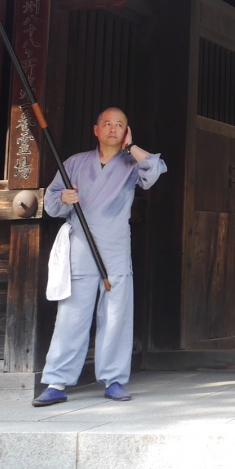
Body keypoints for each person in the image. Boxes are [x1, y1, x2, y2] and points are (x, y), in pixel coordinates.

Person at [32, 108, 166, 407]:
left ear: (126, 131)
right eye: (107, 124)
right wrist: (64, 198)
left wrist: (132, 147)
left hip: (114, 248)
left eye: (119, 125)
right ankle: (56, 382)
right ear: (96, 129)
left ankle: (114, 379)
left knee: (116, 316)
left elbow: (155, 169)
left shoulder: (131, 164)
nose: (113, 129)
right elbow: (51, 203)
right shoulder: (74, 163)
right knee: (71, 316)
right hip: (81, 247)